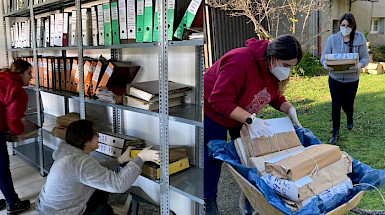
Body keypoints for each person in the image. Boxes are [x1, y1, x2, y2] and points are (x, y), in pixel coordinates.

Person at [204, 35, 303, 214]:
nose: (288, 71)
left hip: (240, 112)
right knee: (213, 156)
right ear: (273, 57)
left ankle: (251, 195)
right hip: (213, 109)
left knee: (247, 155)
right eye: (286, 65)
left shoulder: (272, 68)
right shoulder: (239, 61)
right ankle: (209, 199)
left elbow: (272, 95)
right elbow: (218, 99)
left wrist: (288, 108)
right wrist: (251, 120)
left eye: (291, 67)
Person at [35, 120, 160, 214]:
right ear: (86, 141)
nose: (99, 136)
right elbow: (119, 184)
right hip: (59, 213)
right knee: (105, 211)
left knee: (101, 193)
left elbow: (95, 171)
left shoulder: (69, 154)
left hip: (47, 209)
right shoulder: (80, 162)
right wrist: (141, 158)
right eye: (95, 134)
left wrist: (119, 160)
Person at [321, 13, 369, 144]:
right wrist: (326, 64)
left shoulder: (360, 39)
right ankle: (335, 131)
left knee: (348, 104)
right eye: (343, 25)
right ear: (339, 25)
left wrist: (359, 65)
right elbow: (324, 56)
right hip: (335, 78)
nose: (345, 27)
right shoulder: (332, 39)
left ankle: (350, 117)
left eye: (348, 25)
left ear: (353, 26)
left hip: (351, 80)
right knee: (336, 104)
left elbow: (365, 58)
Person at [0, 59, 33, 214]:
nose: (31, 77)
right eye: (29, 73)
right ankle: (13, 203)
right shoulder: (16, 88)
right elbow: (13, 119)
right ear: (20, 73)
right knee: (2, 168)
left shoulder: (3, 77)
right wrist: (20, 133)